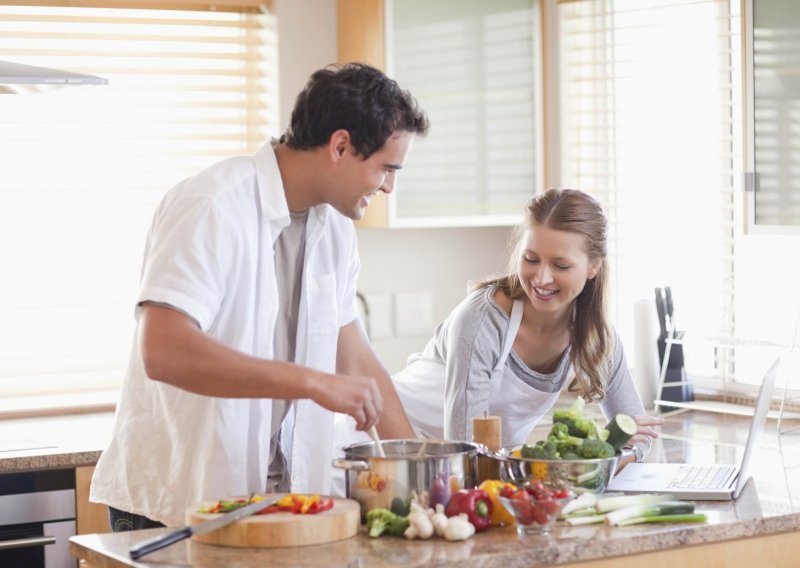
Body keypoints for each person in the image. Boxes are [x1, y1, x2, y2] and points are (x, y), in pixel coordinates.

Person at [90, 63, 429, 529]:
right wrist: (311, 381)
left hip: (272, 503)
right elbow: (163, 352)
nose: (390, 185)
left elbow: (354, 359)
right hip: (173, 505)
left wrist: (424, 485)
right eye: (386, 168)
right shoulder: (212, 204)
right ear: (341, 145)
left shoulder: (334, 228)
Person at [391, 188, 661, 466]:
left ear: (593, 267)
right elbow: (466, 449)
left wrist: (606, 457)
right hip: (392, 442)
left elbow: (640, 434)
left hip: (470, 465)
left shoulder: (597, 338)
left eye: (561, 265)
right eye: (531, 259)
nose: (542, 278)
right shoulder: (482, 321)